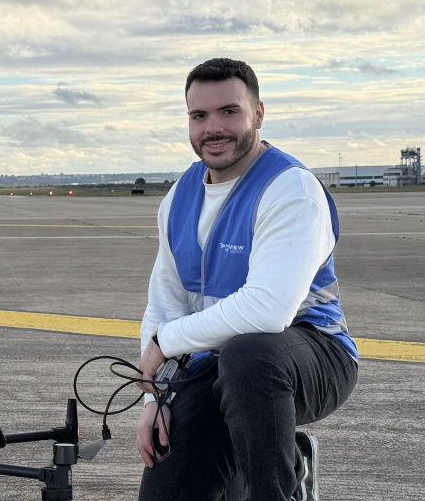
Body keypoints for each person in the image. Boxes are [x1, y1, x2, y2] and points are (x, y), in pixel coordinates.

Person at [134, 58, 358, 501]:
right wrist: (156, 399)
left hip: (312, 354)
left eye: (229, 112)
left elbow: (269, 311)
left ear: (257, 113)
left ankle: (282, 488)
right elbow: (164, 303)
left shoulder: (289, 187)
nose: (213, 127)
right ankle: (271, 451)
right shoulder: (179, 198)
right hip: (221, 365)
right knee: (170, 481)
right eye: (199, 116)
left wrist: (165, 342)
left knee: (248, 357)